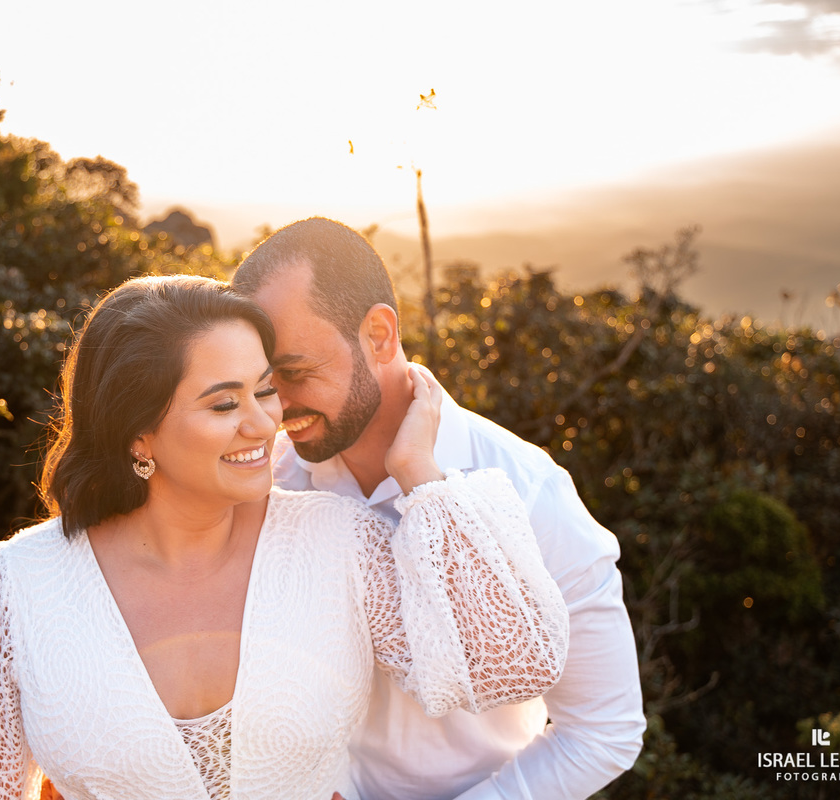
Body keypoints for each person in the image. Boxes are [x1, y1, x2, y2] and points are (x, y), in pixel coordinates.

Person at [0, 275, 569, 800]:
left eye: (266, 390)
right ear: (137, 434)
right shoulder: (23, 583)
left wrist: (421, 476)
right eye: (224, 404)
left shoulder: (339, 543)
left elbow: (509, 665)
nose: (265, 424)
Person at [232, 218, 647, 800]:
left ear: (379, 335)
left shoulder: (531, 491)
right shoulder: (266, 480)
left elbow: (605, 733)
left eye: (295, 373)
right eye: (262, 382)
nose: (276, 407)